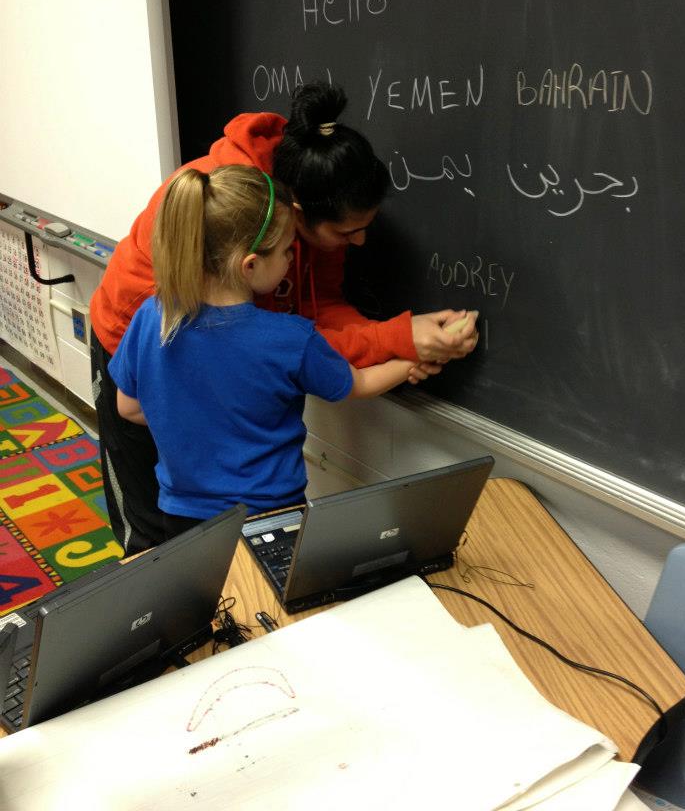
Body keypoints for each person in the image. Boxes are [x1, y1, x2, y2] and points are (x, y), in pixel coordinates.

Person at [90, 82, 478, 553]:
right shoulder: (224, 226)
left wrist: (395, 340)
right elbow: (294, 349)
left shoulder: (273, 239)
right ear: (293, 221)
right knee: (148, 543)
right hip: (132, 344)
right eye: (347, 231)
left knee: (185, 560)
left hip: (189, 499)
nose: (360, 243)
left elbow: (314, 315)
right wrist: (400, 345)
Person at [108, 165, 421, 537]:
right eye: (287, 250)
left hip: (180, 517)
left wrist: (190, 420)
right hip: (271, 517)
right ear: (250, 265)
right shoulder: (290, 339)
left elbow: (127, 407)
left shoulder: (152, 317)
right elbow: (359, 383)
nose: (292, 259)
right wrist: (410, 362)